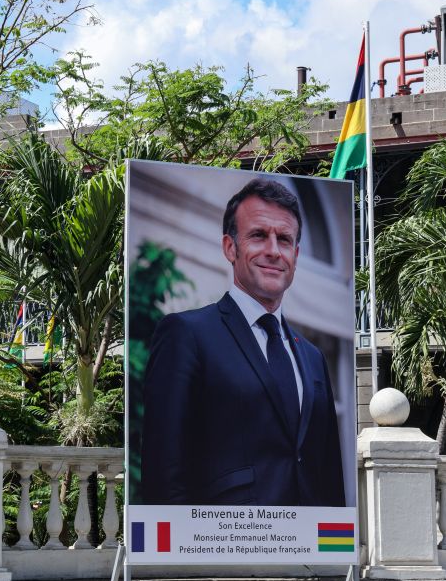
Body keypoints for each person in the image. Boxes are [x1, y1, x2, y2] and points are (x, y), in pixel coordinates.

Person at [139, 177, 345, 507]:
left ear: (295, 254)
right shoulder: (186, 334)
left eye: (284, 239)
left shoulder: (312, 357)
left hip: (306, 537)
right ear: (230, 248)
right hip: (221, 536)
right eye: (259, 235)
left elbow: (329, 474)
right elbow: (164, 473)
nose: (273, 251)